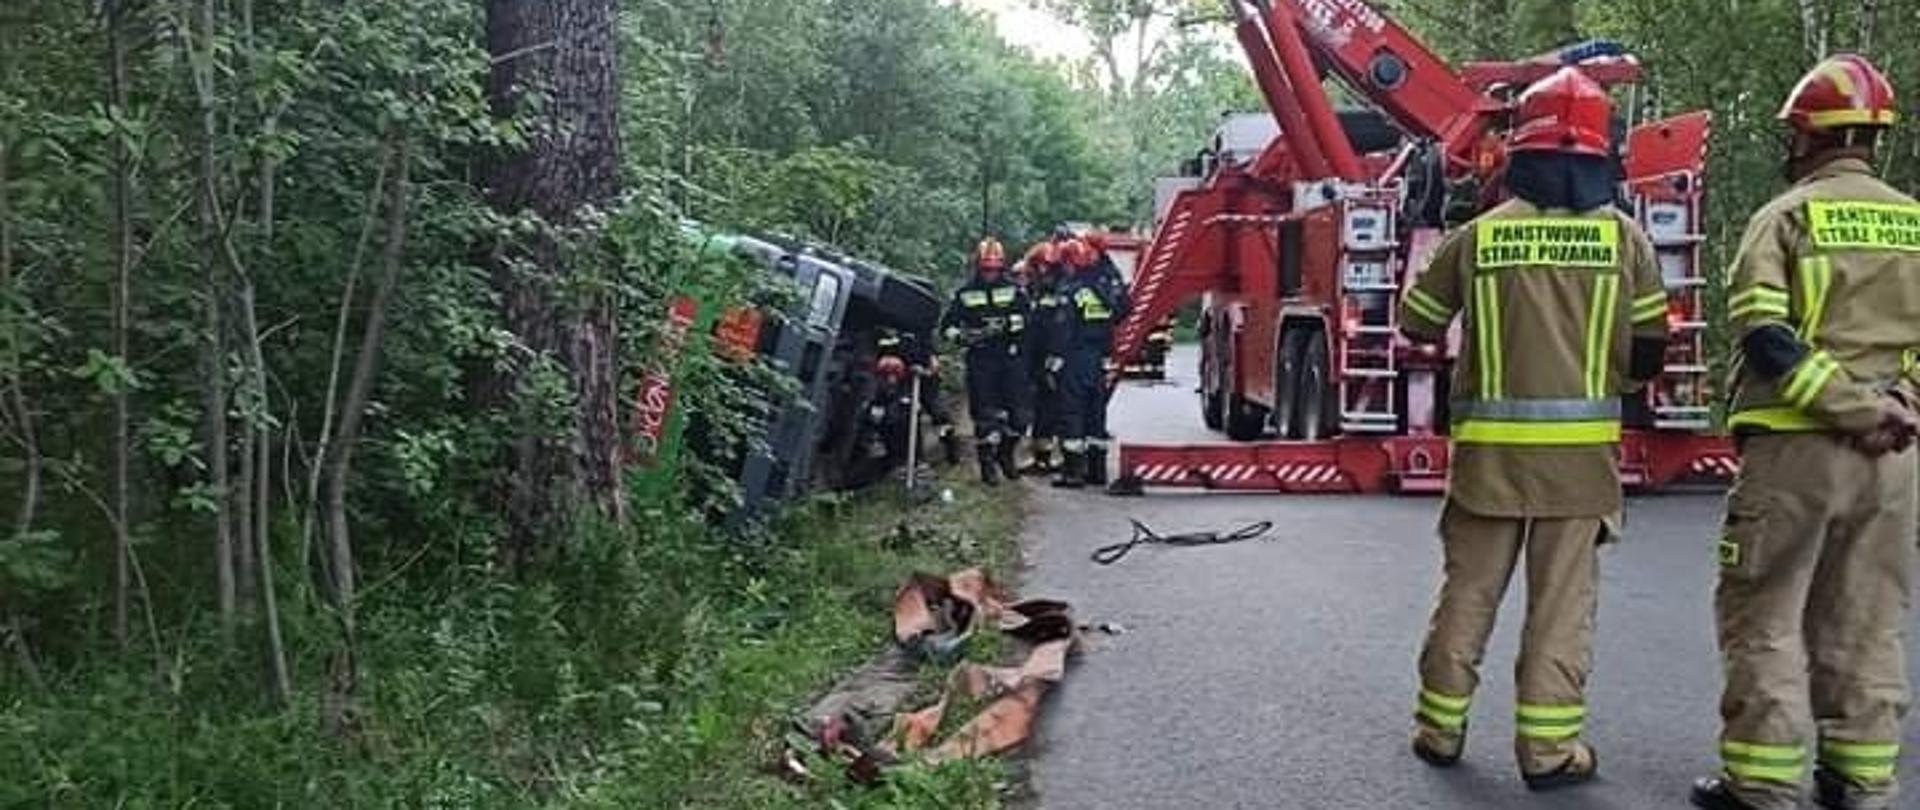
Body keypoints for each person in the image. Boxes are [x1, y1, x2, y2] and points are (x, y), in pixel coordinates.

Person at [1396, 67, 1669, 791]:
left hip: (1488, 462)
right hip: (1581, 475)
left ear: (1522, 149)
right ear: (1599, 154)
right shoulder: (1627, 242)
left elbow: (1413, 325)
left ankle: (1439, 728)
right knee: (1562, 610)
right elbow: (1649, 352)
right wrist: (1615, 381)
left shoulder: (1478, 238)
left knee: (1467, 595)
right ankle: (1548, 753)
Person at [1689, 54, 1920, 810]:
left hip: (1797, 449)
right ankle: (1861, 777)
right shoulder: (1913, 223)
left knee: (1766, 611)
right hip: (1894, 458)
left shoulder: (1785, 218)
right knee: (1868, 614)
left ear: (1806, 138)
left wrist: (1850, 408)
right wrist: (1896, 406)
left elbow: (1766, 336)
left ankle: (1761, 783)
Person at [941, 237, 1030, 484]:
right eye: (986, 269)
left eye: (995, 269)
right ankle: (987, 465)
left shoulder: (1014, 290)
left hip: (1010, 358)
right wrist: (963, 337)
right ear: (978, 266)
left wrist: (1005, 326)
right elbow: (945, 327)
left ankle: (1006, 454)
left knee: (1019, 417)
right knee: (985, 416)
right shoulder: (965, 293)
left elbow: (1029, 319)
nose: (990, 274)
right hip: (981, 360)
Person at [1049, 237, 1130, 488]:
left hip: (1075, 358)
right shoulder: (1101, 291)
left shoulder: (1070, 292)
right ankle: (1096, 471)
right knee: (1096, 414)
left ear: (1071, 263)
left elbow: (1063, 330)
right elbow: (1120, 312)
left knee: (1071, 412)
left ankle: (1073, 472)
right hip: (1099, 358)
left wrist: (1054, 363)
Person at [1019, 240, 1068, 475]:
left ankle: (1045, 459)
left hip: (1052, 362)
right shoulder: (1042, 292)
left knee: (1050, 411)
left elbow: (1057, 332)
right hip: (1040, 361)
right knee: (1044, 409)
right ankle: (1045, 457)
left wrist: (1052, 364)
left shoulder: (1058, 294)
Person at [875, 327, 957, 464]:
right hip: (901, 376)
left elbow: (932, 359)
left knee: (938, 413)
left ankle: (951, 448)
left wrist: (927, 370)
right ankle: (912, 459)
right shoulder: (887, 330)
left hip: (925, 378)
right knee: (905, 413)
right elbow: (883, 354)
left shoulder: (921, 328)